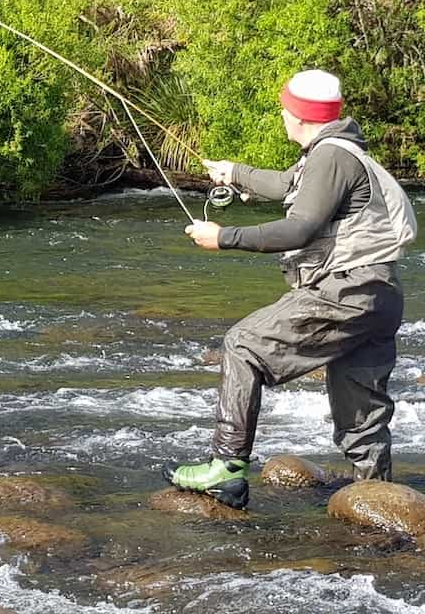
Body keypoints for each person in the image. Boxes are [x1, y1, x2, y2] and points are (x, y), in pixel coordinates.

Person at [163, 69, 418, 510]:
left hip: (345, 292)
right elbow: (286, 185)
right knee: (361, 411)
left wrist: (224, 238)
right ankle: (378, 499)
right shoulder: (336, 152)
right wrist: (235, 173)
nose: (282, 116)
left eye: (285, 110)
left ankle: (225, 468)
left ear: (297, 116)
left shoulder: (331, 158)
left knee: (242, 345)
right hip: (377, 296)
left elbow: (299, 228)